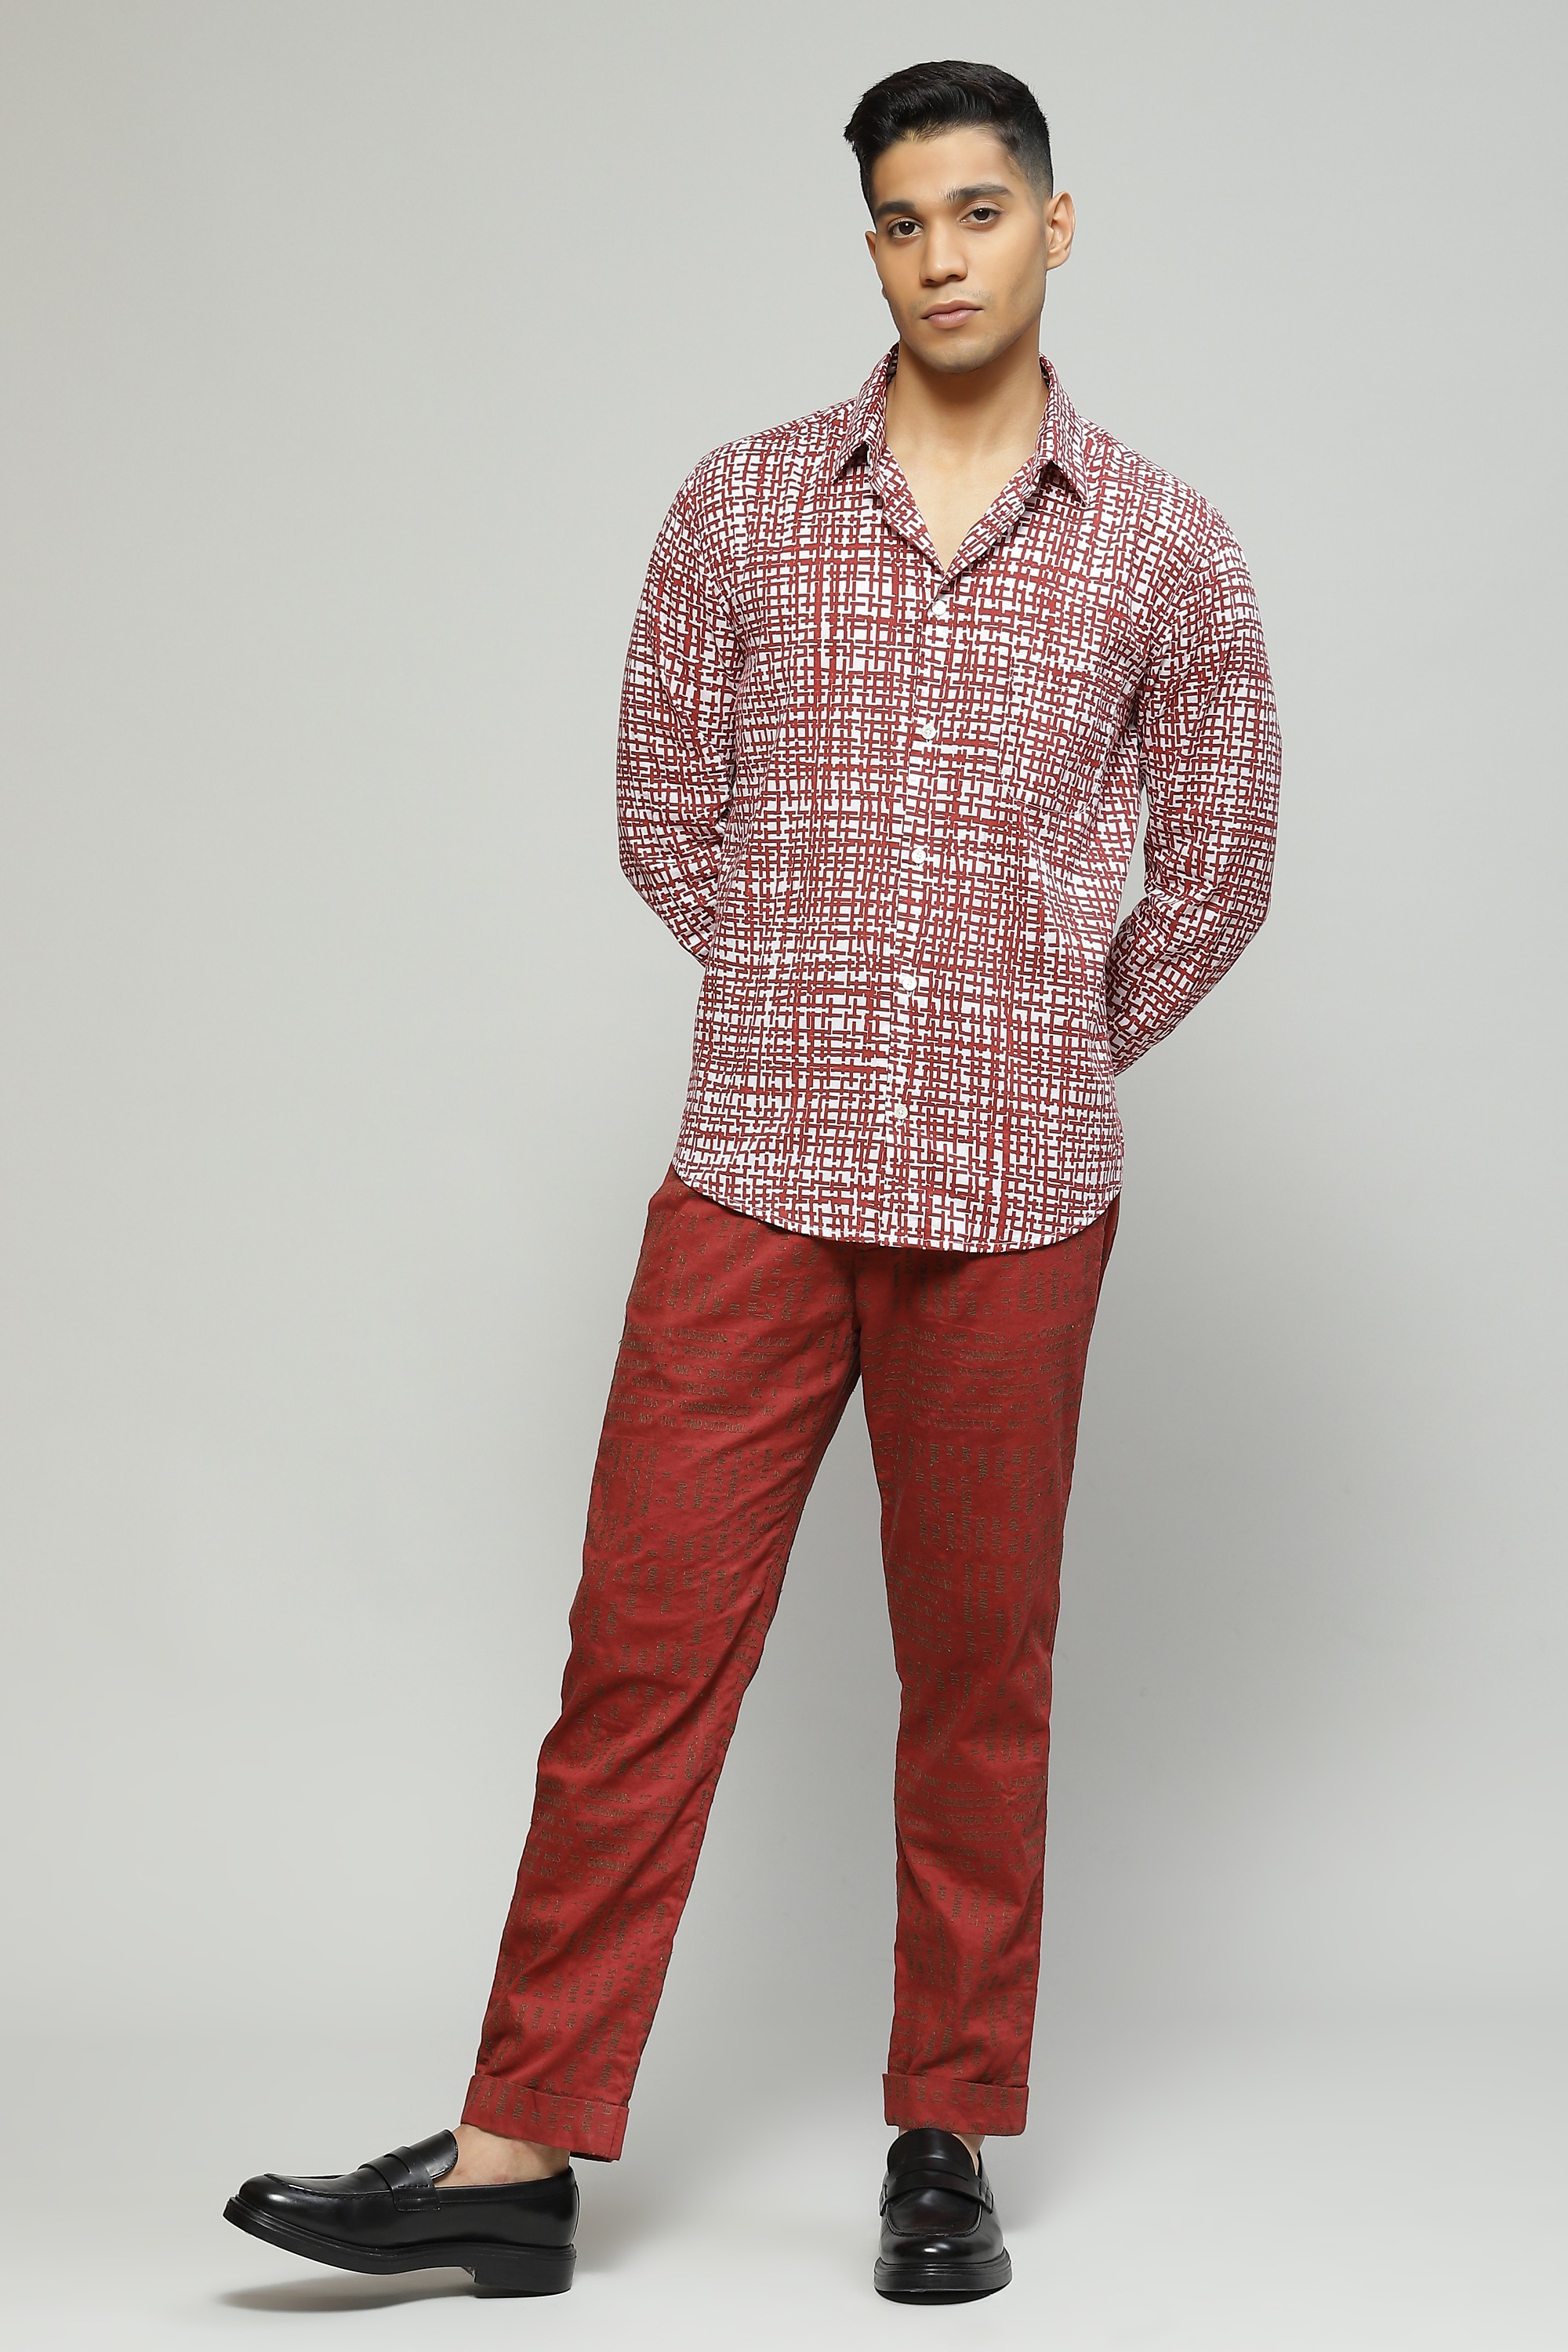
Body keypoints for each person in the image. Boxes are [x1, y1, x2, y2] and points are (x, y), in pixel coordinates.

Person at [223, 57, 1280, 2303]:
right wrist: (821, 995)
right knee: (639, 1654)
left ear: (1056, 227)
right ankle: (513, 2159)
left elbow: (1222, 860)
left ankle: (944, 2134)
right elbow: (661, 803)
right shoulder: (736, 509)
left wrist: (1033, 1040)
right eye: (902, 219)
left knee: (976, 1680)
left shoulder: (1168, 543)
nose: (942, 255)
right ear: (868, 244)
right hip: (757, 1168)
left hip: (1021, 1196)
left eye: (979, 210)